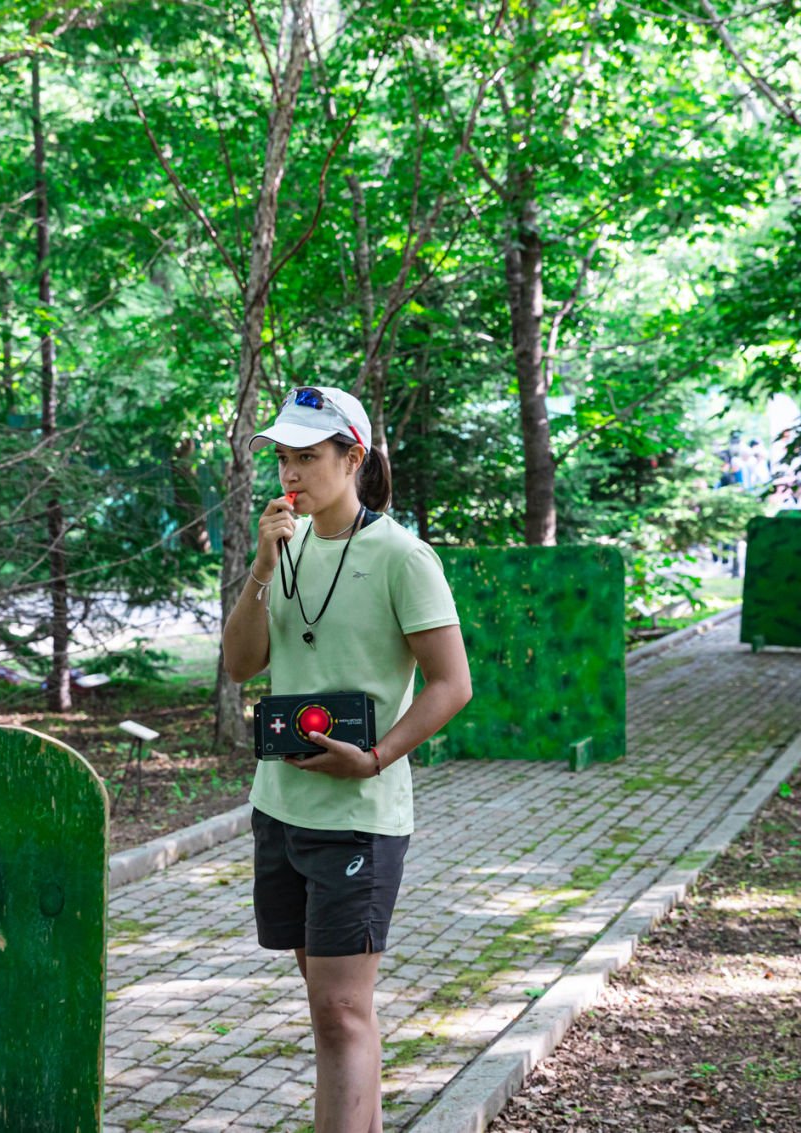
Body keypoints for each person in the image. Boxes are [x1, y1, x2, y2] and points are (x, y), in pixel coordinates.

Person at [221, 385, 472, 1133]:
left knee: (339, 1010)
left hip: (359, 815)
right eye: (283, 457)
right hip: (280, 808)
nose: (291, 472)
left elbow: (452, 684)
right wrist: (262, 564)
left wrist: (376, 757)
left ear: (353, 456)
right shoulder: (285, 547)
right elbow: (241, 664)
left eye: (307, 456)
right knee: (331, 1007)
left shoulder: (403, 556)